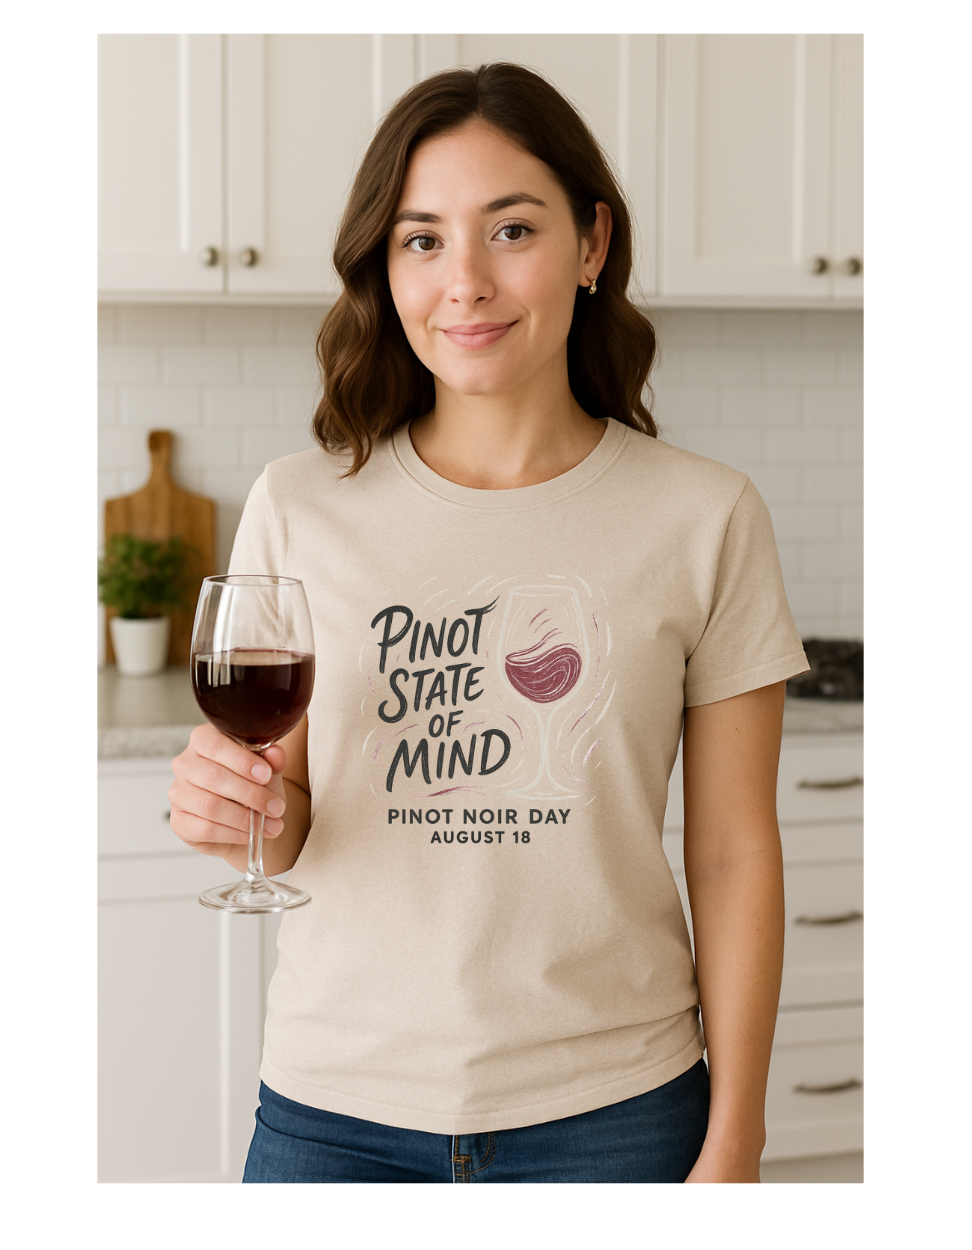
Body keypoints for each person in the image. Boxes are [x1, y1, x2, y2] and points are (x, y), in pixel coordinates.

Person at [170, 62, 809, 1184]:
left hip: (616, 1111)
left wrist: (738, 1135)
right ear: (386, 263)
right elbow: (299, 809)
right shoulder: (300, 505)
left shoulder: (705, 515)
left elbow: (734, 850)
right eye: (421, 239)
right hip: (336, 1110)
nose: (463, 280)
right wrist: (239, 813)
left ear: (593, 242)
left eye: (511, 228)